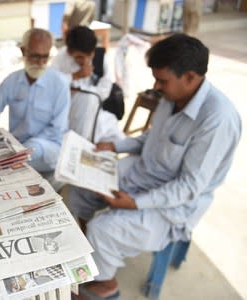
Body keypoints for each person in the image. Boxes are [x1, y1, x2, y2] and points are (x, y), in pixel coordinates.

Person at [70, 34, 241, 299]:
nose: (156, 86)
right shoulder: (173, 95)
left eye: (162, 80)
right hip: (144, 171)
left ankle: (105, 285)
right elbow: (152, 137)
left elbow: (188, 187)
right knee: (82, 186)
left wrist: (134, 203)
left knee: (103, 229)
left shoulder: (217, 120)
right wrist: (115, 146)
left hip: (175, 204)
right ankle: (88, 255)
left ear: (191, 77)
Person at [0, 28, 70, 173]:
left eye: (45, 57)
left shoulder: (59, 84)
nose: (41, 63)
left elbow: (57, 129)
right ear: (24, 52)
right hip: (17, 146)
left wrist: (25, 148)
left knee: (32, 152)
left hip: (48, 147)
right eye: (35, 57)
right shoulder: (12, 81)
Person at [51, 26, 124, 143]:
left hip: (94, 112)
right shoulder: (61, 58)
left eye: (90, 56)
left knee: (117, 139)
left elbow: (104, 90)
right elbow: (52, 85)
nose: (85, 61)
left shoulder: (101, 58)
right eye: (79, 57)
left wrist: (87, 93)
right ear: (70, 52)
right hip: (66, 111)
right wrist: (75, 76)